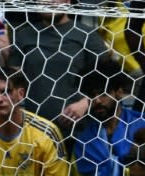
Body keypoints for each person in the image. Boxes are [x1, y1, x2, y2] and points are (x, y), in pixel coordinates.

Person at [7, 0, 110, 139]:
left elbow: (109, 78)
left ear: (67, 2)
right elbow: (12, 79)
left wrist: (86, 103)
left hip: (77, 129)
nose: (49, 2)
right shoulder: (24, 35)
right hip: (33, 127)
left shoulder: (86, 35)